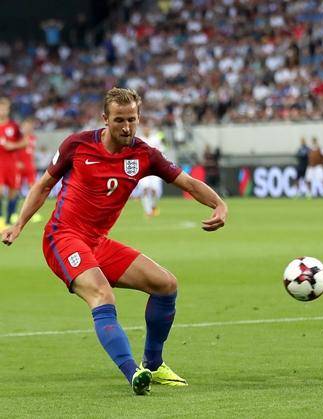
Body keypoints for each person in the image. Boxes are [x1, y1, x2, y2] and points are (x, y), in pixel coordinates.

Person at [1, 87, 228, 395]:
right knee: (102, 295)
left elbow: (187, 182)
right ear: (105, 119)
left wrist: (219, 204)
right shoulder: (77, 145)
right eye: (119, 120)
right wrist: (18, 224)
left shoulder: (144, 155)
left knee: (166, 285)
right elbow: (43, 186)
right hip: (63, 237)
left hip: (97, 243)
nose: (126, 127)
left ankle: (153, 364)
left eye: (132, 119)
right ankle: (132, 372)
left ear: (139, 118)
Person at [0, 97, 22, 228]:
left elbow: (24, 141)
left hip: (12, 164)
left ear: (8, 110)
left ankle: (9, 219)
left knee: (13, 192)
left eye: (4, 108)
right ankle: (0, 219)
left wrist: (13, 146)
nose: (2, 111)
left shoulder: (13, 126)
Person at [137, 122, 166, 218]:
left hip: (155, 168)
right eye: (144, 128)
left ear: (150, 129)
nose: (146, 129)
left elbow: (162, 151)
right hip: (143, 167)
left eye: (147, 127)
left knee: (154, 190)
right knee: (145, 189)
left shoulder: (155, 139)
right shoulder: (139, 139)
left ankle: (153, 206)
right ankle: (148, 210)